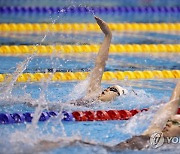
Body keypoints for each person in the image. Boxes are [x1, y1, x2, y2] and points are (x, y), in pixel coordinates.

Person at [36, 80, 180, 151]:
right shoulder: (153, 132)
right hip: (112, 149)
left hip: (113, 150)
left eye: (174, 123)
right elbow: (173, 101)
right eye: (170, 120)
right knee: (74, 142)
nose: (167, 123)